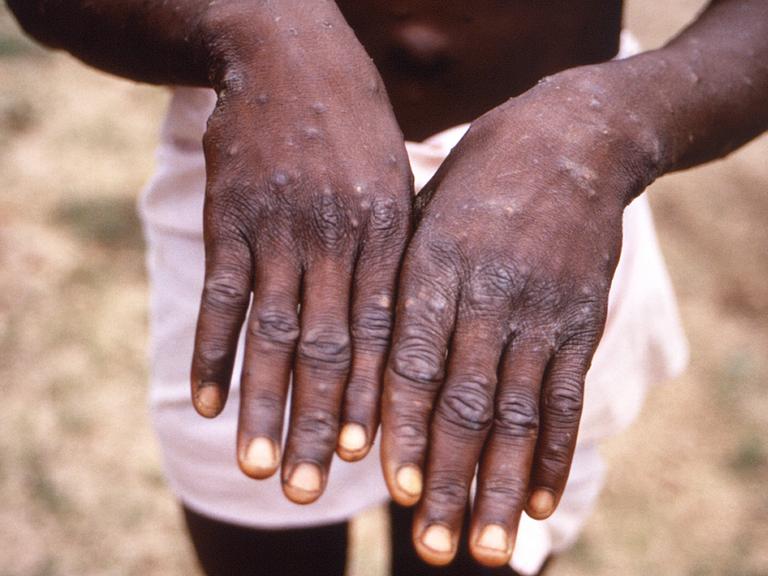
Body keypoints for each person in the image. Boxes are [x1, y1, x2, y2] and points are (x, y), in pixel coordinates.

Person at [6, 1, 766, 574]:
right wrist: (251, 25)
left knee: (478, 542)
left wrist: (613, 126)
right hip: (273, 166)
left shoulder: (589, 150)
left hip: (552, 203)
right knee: (258, 529)